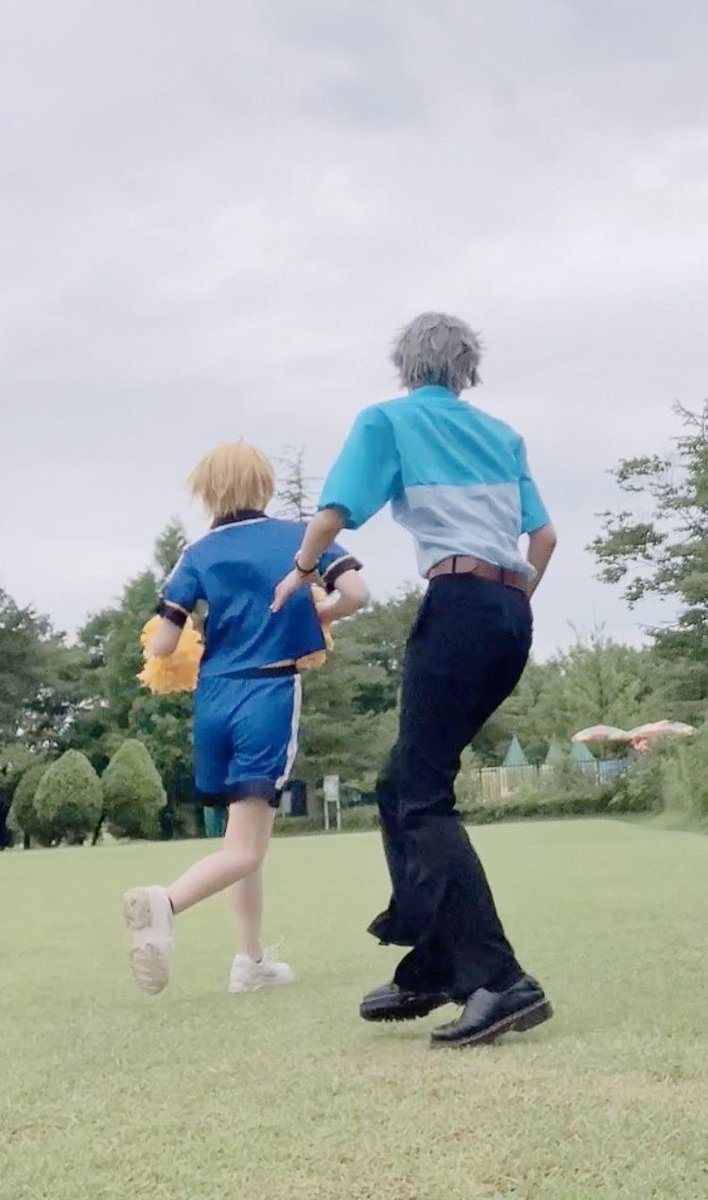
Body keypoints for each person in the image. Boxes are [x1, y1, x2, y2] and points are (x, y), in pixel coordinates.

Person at [273, 313, 557, 1048]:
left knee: (420, 793)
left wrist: (301, 573)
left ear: (405, 366)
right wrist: (510, 603)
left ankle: (498, 979)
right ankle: (434, 963)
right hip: (509, 613)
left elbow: (334, 514)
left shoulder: (388, 421)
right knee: (402, 783)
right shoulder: (503, 435)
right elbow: (544, 537)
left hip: (458, 603)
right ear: (468, 369)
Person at [123, 441, 367, 996]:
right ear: (265, 484)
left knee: (244, 838)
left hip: (213, 700)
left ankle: (250, 961)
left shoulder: (197, 552)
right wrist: (319, 613)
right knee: (247, 849)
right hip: (267, 693)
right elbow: (356, 592)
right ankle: (165, 903)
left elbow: (163, 644)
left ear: (206, 490)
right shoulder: (299, 538)